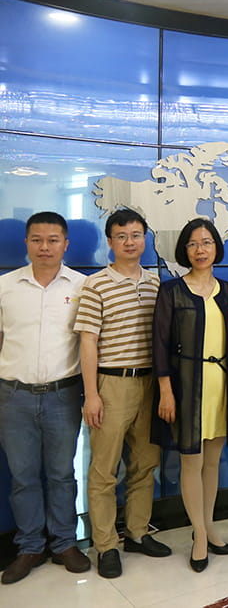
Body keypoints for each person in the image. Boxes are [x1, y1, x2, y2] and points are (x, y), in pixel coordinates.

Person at [74, 208, 172, 579]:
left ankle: (137, 532)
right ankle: (105, 545)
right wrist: (91, 395)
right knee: (104, 469)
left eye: (136, 235)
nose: (130, 242)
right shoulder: (96, 284)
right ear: (110, 241)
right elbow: (88, 341)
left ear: (145, 238)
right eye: (121, 236)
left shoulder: (156, 283)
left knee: (145, 463)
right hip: (111, 385)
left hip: (151, 385)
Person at [0, 212, 90, 584]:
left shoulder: (83, 286)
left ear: (65, 244)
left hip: (63, 395)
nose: (44, 247)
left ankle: (65, 543)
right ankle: (30, 546)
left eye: (53, 240)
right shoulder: (5, 286)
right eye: (37, 239)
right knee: (22, 477)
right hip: (13, 397)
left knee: (61, 475)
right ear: (26, 243)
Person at [151, 218, 228, 573]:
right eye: (192, 243)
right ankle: (198, 535)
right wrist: (165, 391)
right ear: (184, 250)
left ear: (217, 247)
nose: (200, 250)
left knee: (213, 461)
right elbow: (159, 344)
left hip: (221, 384)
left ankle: (210, 526)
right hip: (186, 385)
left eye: (206, 242)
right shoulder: (171, 290)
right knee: (192, 459)